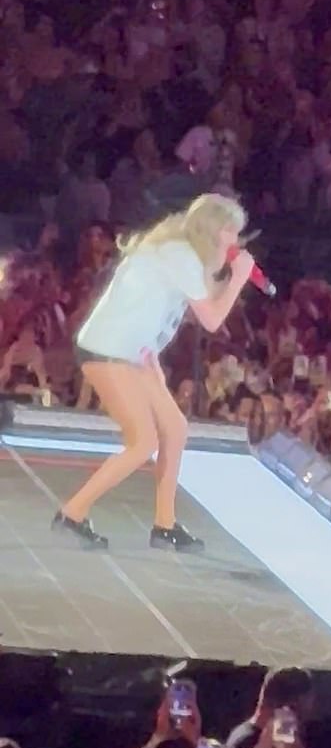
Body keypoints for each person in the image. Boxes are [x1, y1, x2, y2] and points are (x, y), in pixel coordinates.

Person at [52, 193, 255, 551]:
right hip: (108, 350)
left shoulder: (182, 254)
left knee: (175, 428)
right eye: (232, 234)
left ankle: (165, 524)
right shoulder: (180, 255)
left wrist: (155, 361)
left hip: (135, 353)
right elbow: (210, 319)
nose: (236, 242)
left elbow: (162, 308)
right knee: (142, 441)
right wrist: (238, 278)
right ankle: (73, 512)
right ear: (217, 230)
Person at [224, 667, 314, 748]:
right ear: (294, 703)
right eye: (309, 699)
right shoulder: (248, 743)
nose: (312, 706)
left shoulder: (245, 735)